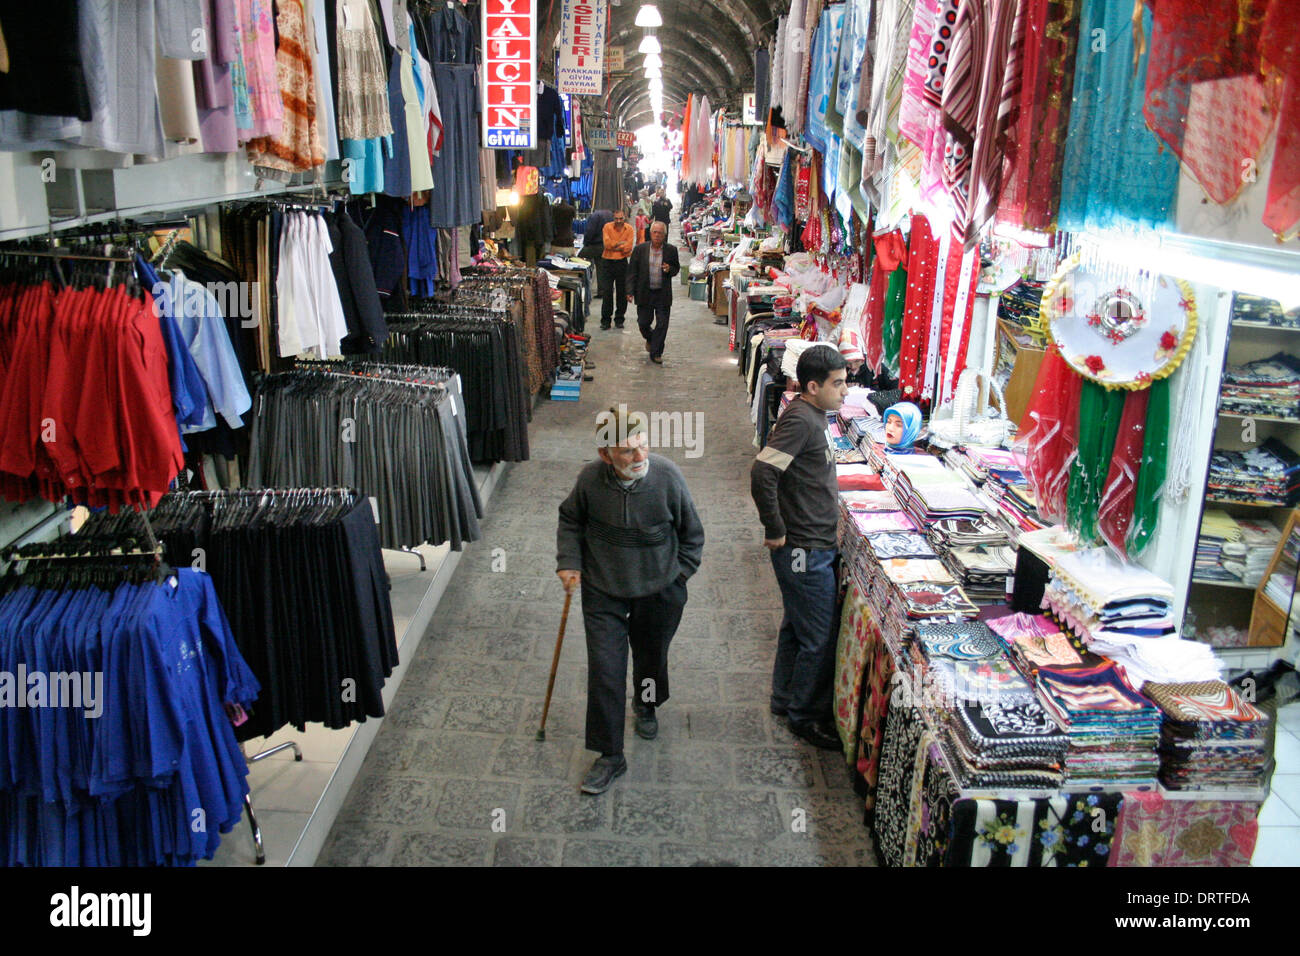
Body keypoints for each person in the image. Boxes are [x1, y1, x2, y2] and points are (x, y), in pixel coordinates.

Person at [557, 406, 706, 794]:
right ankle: (609, 755)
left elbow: (692, 533)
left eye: (643, 445)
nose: (640, 457)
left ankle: (646, 703)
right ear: (606, 455)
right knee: (605, 669)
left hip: (658, 589)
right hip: (603, 588)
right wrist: (569, 562)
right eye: (627, 451)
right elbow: (571, 519)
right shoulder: (590, 480)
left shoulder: (667, 476)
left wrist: (679, 575)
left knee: (651, 654)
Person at [749, 346, 849, 751]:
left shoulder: (812, 416)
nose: (845, 391)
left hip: (811, 544)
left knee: (797, 625)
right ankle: (805, 716)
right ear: (812, 386)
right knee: (818, 636)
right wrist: (774, 528)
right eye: (838, 384)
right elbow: (763, 470)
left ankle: (785, 699)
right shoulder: (802, 421)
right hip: (804, 549)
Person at [626, 220, 681, 365]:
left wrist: (670, 269)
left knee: (662, 324)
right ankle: (651, 339)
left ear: (664, 235)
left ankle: (656, 352)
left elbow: (676, 268)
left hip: (662, 294)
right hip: (645, 292)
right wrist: (630, 291)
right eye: (655, 232)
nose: (657, 235)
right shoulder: (640, 250)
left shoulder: (671, 250)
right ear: (650, 233)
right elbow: (632, 272)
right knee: (643, 323)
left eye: (660, 233)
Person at [599, 208, 635, 329]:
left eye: (621, 218)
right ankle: (605, 321)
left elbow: (628, 247)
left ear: (625, 217)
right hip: (607, 262)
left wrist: (614, 246)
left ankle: (619, 319)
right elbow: (606, 244)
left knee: (622, 292)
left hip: (622, 263)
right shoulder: (607, 227)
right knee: (607, 292)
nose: (619, 221)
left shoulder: (629, 229)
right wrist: (620, 244)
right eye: (616, 218)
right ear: (613, 218)